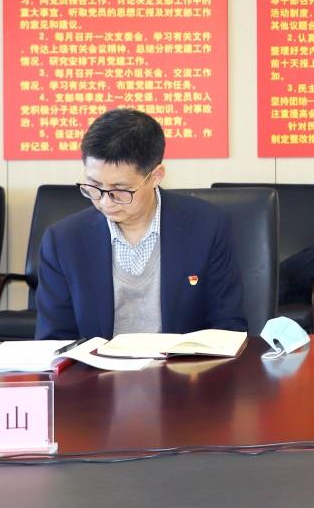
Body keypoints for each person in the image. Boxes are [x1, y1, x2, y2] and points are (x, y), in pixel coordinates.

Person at [36, 108, 247, 339]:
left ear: (155, 176)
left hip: (183, 362)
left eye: (120, 190)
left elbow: (228, 326)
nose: (105, 202)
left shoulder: (207, 227)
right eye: (94, 186)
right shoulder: (63, 240)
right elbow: (54, 341)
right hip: (95, 363)